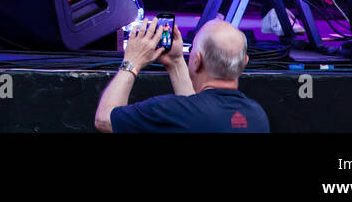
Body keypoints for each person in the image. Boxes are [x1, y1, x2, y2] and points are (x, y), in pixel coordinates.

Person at [94, 18, 270, 132]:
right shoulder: (257, 116)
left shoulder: (170, 110)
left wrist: (132, 62)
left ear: (196, 61)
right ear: (244, 62)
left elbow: (105, 120)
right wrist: (176, 62)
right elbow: (197, 112)